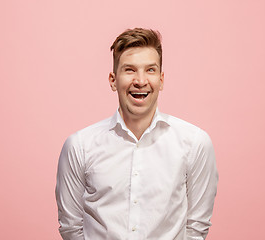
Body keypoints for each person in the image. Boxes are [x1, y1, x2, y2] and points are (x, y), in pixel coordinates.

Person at [55, 28, 218, 240]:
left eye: (150, 70)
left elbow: (196, 228)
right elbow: (70, 227)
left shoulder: (195, 143)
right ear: (113, 80)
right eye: (129, 70)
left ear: (161, 79)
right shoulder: (79, 146)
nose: (140, 81)